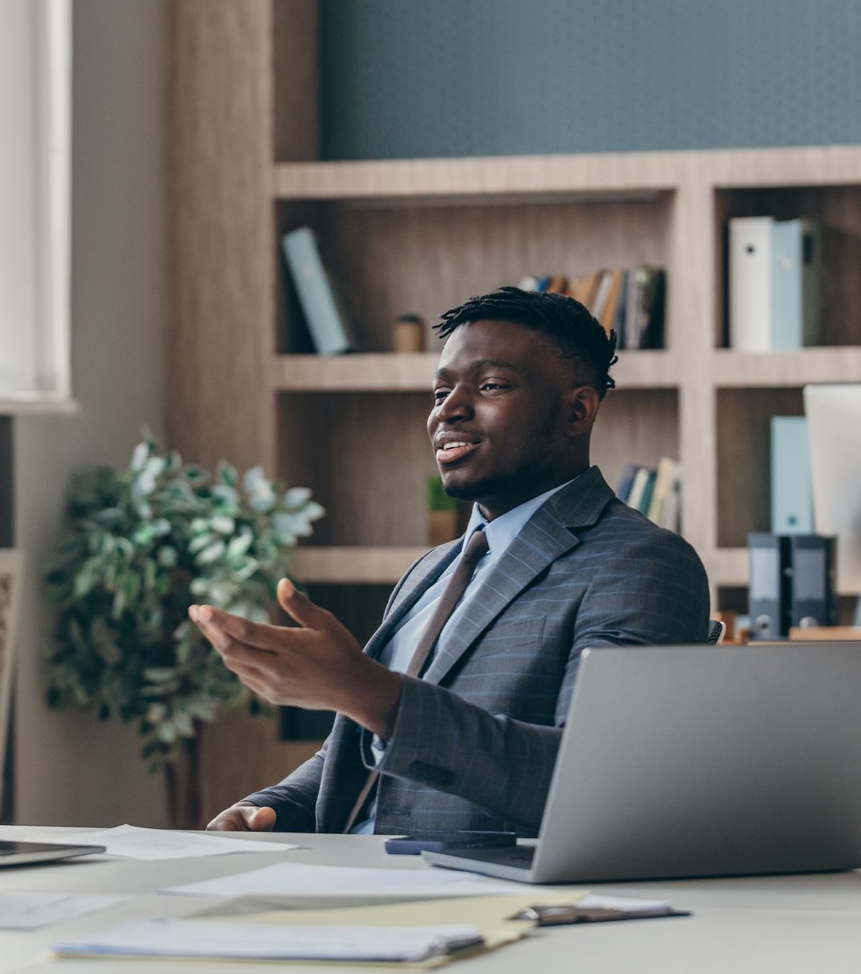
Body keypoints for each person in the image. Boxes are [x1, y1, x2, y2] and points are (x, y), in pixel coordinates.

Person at [198, 287, 711, 838]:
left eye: (490, 386)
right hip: (347, 883)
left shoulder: (639, 562)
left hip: (480, 902)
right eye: (440, 391)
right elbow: (361, 752)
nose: (449, 409)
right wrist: (271, 808)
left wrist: (365, 689)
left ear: (577, 410)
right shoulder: (429, 571)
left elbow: (594, 780)